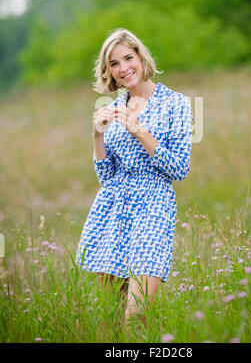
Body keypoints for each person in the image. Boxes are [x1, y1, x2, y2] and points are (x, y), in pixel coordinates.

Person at [75, 28, 193, 328]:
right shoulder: (111, 108)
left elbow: (179, 169)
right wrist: (97, 136)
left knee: (136, 315)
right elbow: (106, 176)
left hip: (153, 205)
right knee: (108, 317)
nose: (123, 68)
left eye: (128, 58)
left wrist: (140, 132)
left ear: (141, 58)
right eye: (114, 63)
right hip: (112, 207)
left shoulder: (176, 103)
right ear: (109, 72)